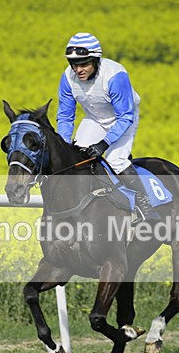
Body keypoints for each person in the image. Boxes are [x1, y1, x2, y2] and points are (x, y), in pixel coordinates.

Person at [56, 32, 158, 220]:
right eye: (74, 63)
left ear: (95, 60)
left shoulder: (115, 75)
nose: (78, 69)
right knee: (77, 158)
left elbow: (125, 117)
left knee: (115, 160)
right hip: (94, 119)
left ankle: (145, 204)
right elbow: (64, 116)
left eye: (84, 63)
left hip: (123, 119)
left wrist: (104, 144)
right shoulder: (67, 78)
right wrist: (63, 146)